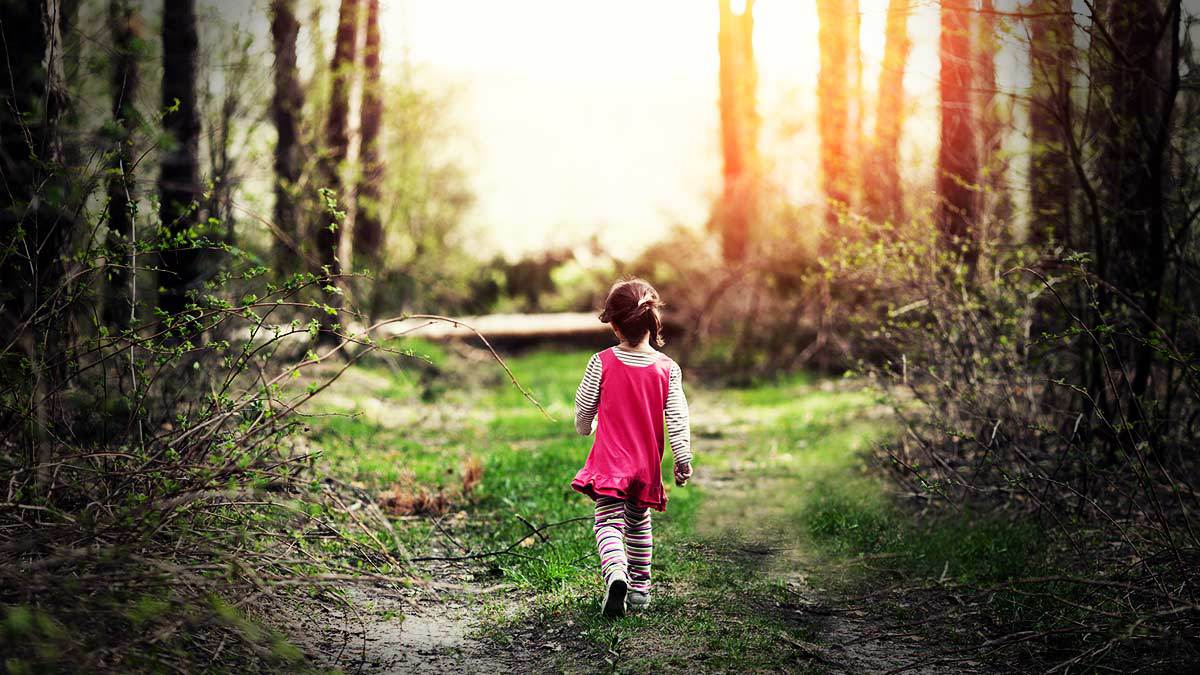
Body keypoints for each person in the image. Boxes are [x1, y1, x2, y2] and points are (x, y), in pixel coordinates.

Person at [571, 278, 693, 618]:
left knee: (607, 523)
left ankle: (616, 574)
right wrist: (682, 459)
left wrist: (585, 427)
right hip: (645, 465)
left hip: (610, 463)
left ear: (613, 323)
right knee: (639, 522)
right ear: (652, 320)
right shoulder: (668, 368)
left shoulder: (602, 361)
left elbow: (584, 407)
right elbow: (678, 418)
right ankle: (640, 589)